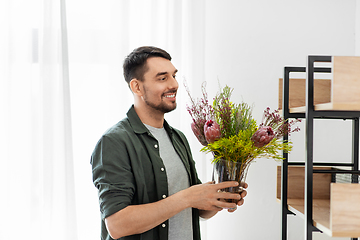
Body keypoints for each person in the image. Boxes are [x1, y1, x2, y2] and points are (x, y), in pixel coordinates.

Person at [90, 46, 248, 240]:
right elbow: (117, 225)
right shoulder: (113, 142)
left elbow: (195, 209)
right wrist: (188, 197)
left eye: (174, 76)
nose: (174, 84)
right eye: (162, 78)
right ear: (137, 87)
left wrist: (219, 198)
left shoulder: (178, 138)